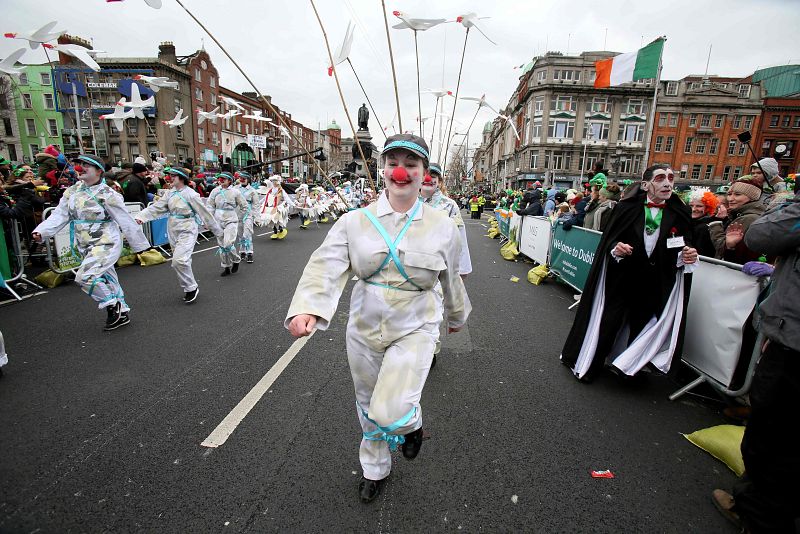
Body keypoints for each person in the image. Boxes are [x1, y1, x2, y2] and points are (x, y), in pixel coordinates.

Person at [285, 134, 471, 504]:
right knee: (368, 403)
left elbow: (452, 276)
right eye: (393, 162)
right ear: (383, 170)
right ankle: (375, 468)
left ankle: (410, 424)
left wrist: (456, 314)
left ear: (423, 173)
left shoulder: (443, 226)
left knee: (393, 407)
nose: (400, 171)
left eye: (411, 164)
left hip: (415, 324)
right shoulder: (355, 221)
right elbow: (326, 264)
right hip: (364, 325)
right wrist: (307, 307)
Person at [712, 190, 800, 533]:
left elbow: (761, 233)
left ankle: (760, 517)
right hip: (788, 335)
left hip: (792, 349)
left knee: (774, 437)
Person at [560, 164, 698, 382]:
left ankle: (628, 369)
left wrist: (687, 253)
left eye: (671, 178)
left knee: (642, 323)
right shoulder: (626, 208)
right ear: (645, 184)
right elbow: (610, 238)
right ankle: (591, 365)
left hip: (654, 280)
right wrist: (617, 248)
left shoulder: (680, 212)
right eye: (661, 178)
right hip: (623, 277)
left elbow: (683, 242)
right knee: (609, 322)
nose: (667, 183)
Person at [32, 155, 150, 331]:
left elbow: (125, 220)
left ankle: (112, 305)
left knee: (85, 276)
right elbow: (59, 215)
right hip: (85, 244)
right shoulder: (72, 192)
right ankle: (122, 311)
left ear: (99, 171)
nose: (81, 167)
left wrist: (141, 246)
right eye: (80, 164)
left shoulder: (108, 194)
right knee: (108, 278)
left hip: (106, 242)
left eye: (87, 165)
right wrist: (42, 231)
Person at [135, 168, 222, 303]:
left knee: (179, 260)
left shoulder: (191, 194)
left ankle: (191, 288)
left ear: (181, 177)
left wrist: (217, 231)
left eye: (173, 176)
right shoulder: (169, 194)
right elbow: (157, 207)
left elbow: (204, 212)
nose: (169, 178)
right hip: (173, 228)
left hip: (187, 228)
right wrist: (141, 216)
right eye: (169, 176)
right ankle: (188, 287)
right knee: (180, 261)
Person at [420, 162, 472, 277]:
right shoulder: (408, 201)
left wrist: (463, 268)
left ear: (439, 181)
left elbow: (459, 237)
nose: (428, 178)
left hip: (439, 267)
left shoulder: (450, 205)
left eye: (433, 176)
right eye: (424, 174)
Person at [708, 175, 766, 264]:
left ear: (752, 197)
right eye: (729, 194)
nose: (730, 199)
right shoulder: (744, 215)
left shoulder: (748, 218)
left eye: (737, 194)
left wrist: (715, 223)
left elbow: (722, 248)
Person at [208, 172, 247, 276]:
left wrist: (238, 217)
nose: (221, 180)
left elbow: (244, 206)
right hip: (218, 220)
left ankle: (236, 260)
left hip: (231, 220)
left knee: (228, 244)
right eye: (220, 178)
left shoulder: (235, 192)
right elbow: (210, 206)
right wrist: (209, 221)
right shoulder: (215, 191)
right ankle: (226, 267)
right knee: (221, 245)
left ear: (230, 180)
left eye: (224, 178)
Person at [257, 174, 293, 239]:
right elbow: (265, 198)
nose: (273, 182)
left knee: (278, 219)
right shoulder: (270, 190)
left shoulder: (281, 190)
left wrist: (292, 204)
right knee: (271, 219)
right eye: (273, 181)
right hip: (271, 207)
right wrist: (258, 203)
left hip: (279, 207)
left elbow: (287, 198)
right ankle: (275, 232)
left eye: (275, 181)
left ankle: (281, 230)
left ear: (278, 181)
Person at [233, 171, 259, 263]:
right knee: (240, 234)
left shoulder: (252, 191)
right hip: (238, 214)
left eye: (244, 178)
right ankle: (242, 251)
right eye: (241, 178)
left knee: (247, 234)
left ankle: (250, 253)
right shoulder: (235, 189)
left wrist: (256, 217)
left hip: (248, 214)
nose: (242, 180)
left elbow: (256, 204)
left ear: (248, 180)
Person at [686, 190, 719, 258]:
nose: (693, 209)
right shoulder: (688, 222)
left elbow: (701, 254)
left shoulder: (704, 227)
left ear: (707, 208)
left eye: (699, 206)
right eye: (691, 205)